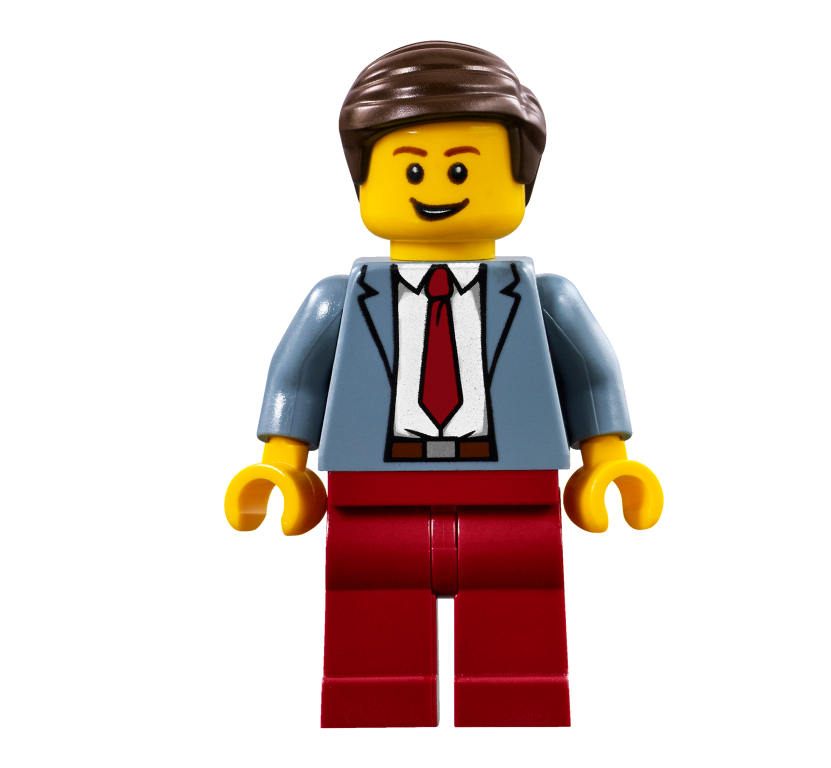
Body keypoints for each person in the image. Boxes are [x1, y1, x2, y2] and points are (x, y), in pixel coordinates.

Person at [224, 41, 663, 728]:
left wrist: (607, 461)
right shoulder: (339, 301)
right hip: (372, 505)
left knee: (519, 655)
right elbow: (298, 380)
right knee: (371, 656)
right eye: (411, 168)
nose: (436, 186)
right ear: (364, 186)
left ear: (521, 186)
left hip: (514, 503)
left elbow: (590, 373)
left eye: (462, 168)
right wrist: (282, 466)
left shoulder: (545, 298)